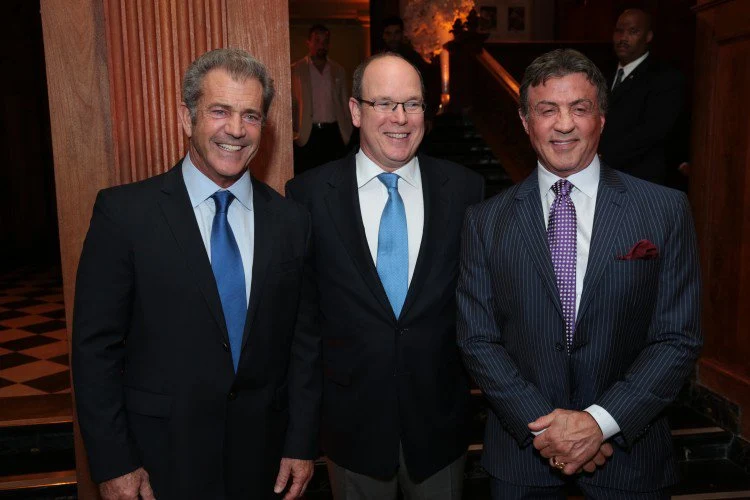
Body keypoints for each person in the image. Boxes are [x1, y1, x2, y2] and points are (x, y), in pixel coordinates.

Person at [72, 48, 319, 500]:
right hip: (160, 461)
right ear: (187, 118)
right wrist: (114, 462)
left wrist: (301, 442)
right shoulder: (125, 214)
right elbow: (95, 350)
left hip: (262, 460)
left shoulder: (291, 222)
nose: (236, 129)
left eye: (251, 115)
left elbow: (303, 346)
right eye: (219, 111)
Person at [457, 49, 702, 499]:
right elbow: (477, 338)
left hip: (631, 459)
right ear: (526, 121)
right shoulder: (485, 221)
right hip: (522, 458)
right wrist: (549, 430)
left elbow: (677, 336)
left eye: (580, 108)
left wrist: (599, 423)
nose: (564, 124)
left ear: (601, 119)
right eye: (547, 110)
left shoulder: (664, 210)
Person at [286, 53, 484, 499]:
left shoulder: (466, 191)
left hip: (438, 427)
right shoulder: (308, 196)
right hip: (349, 427)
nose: (400, 118)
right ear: (356, 111)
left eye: (412, 104)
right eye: (385, 104)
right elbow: (303, 327)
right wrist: (299, 434)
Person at [598, 8, 686, 185]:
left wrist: (602, 156)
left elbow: (653, 131)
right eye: (619, 31)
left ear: (648, 36)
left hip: (640, 180)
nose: (623, 38)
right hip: (601, 177)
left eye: (633, 31)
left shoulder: (664, 78)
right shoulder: (601, 75)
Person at [291, 24, 353, 174]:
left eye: (325, 41)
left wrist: (348, 132)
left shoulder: (338, 70)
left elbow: (344, 103)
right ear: (308, 43)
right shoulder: (295, 70)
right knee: (307, 176)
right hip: (308, 133)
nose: (321, 45)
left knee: (335, 176)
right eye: (317, 40)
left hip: (333, 133)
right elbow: (292, 104)